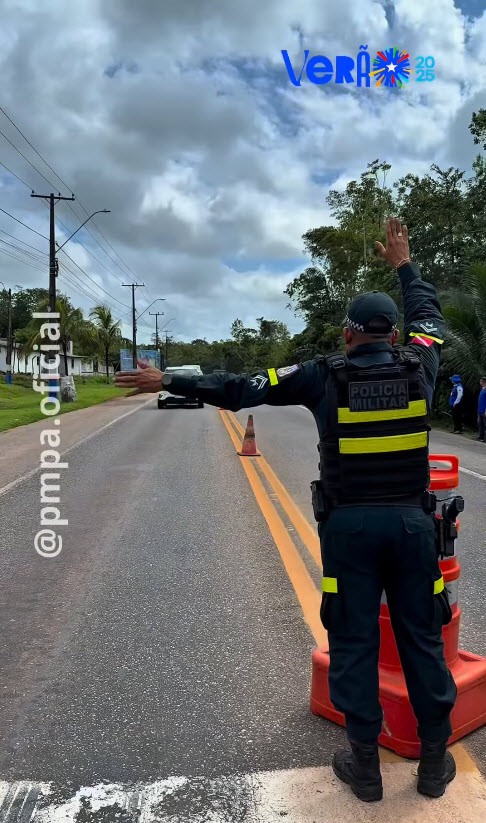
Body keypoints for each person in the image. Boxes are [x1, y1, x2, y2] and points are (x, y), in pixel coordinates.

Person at [115, 219, 457, 803]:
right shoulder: (420, 365)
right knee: (422, 638)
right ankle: (431, 764)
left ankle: (365, 768)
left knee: (352, 641)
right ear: (394, 335)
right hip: (412, 527)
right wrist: (405, 264)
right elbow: (430, 318)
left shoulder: (322, 374)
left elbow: (242, 388)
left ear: (349, 335)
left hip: (349, 532)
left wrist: (167, 378)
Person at [477, 377, 486, 442]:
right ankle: (481, 437)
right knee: (480, 424)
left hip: (484, 411)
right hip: (480, 410)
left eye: (481, 381)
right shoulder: (482, 389)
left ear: (484, 382)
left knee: (485, 424)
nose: (480, 382)